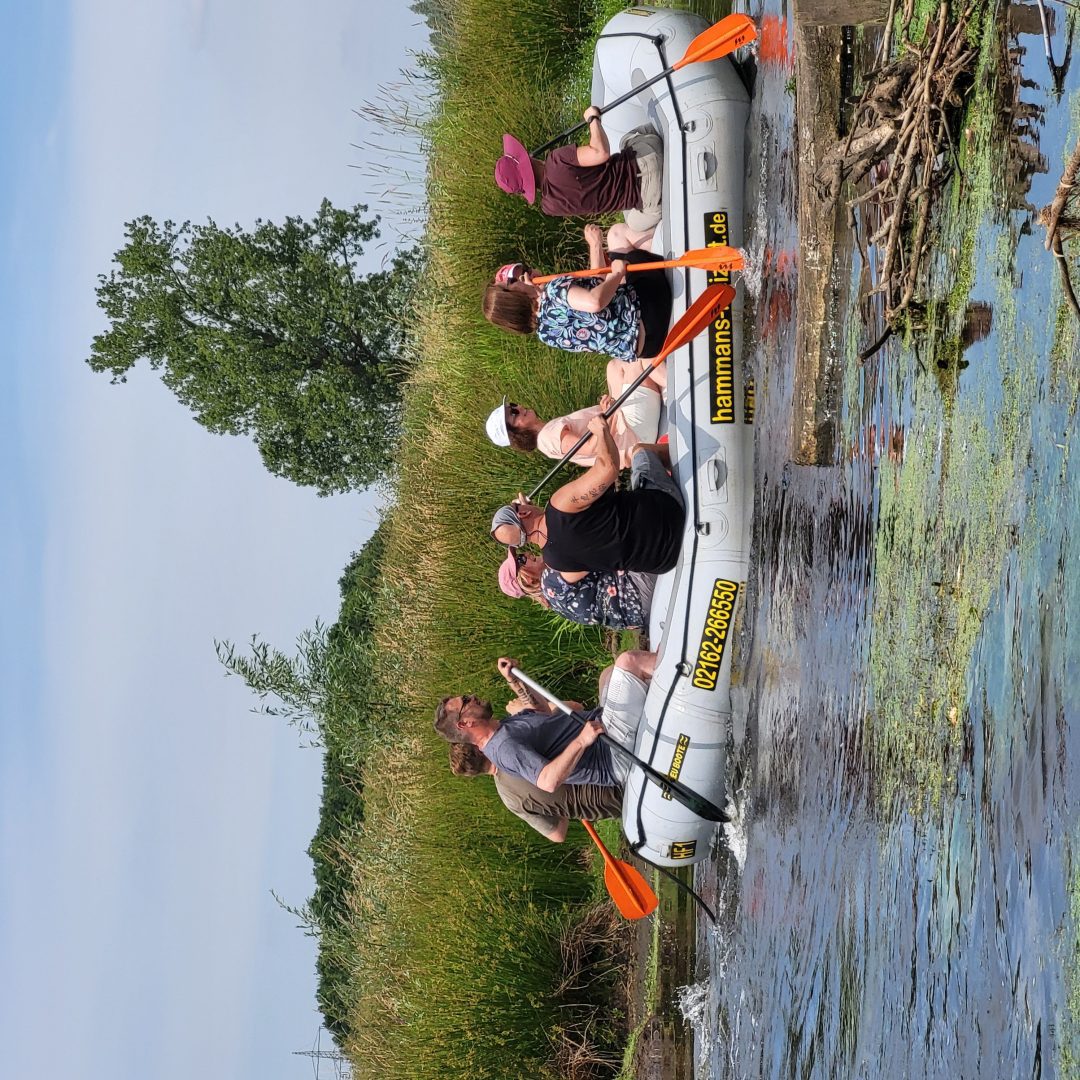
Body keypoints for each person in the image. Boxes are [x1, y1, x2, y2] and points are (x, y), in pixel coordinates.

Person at [488, 413, 684, 582]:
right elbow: (608, 468)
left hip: (663, 561)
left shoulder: (555, 562)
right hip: (670, 513)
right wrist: (601, 431)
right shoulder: (559, 505)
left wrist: (529, 513)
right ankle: (688, 453)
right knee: (640, 452)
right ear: (522, 513)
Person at [434, 651, 656, 790]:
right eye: (465, 700)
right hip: (610, 753)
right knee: (628, 662)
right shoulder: (503, 748)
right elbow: (547, 781)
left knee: (608, 674)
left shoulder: (501, 729)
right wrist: (581, 741)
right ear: (464, 724)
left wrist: (514, 681)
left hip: (603, 728)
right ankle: (687, 667)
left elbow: (541, 713)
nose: (472, 696)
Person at [482, 223, 672, 365]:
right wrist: (617, 273)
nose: (523, 276)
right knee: (625, 246)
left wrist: (595, 246)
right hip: (651, 314)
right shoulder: (554, 290)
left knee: (624, 255)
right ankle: (676, 247)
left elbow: (595, 290)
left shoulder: (545, 335)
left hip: (647, 348)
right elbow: (595, 302)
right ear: (513, 296)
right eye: (513, 282)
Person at [494, 108, 663, 242]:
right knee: (625, 140)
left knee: (632, 222)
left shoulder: (550, 207)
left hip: (651, 201)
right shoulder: (555, 160)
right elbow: (600, 152)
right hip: (647, 160)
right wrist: (592, 119)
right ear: (527, 160)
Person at [448, 741, 622, 843]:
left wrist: (560, 806)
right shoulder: (514, 744)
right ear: (478, 746)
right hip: (611, 763)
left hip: (612, 804)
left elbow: (558, 834)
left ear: (472, 775)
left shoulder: (510, 800)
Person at [484, 373, 662, 470]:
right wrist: (610, 413)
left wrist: (608, 409)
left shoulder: (547, 435)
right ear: (516, 434)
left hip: (626, 429)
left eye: (513, 405)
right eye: (513, 415)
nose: (518, 408)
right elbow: (592, 447)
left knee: (614, 367)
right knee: (635, 363)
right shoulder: (548, 437)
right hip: (632, 436)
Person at [497, 547, 651, 631]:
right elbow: (593, 556)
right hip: (635, 591)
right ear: (528, 579)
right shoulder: (550, 580)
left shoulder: (555, 604)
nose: (528, 553)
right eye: (521, 560)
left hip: (636, 616)